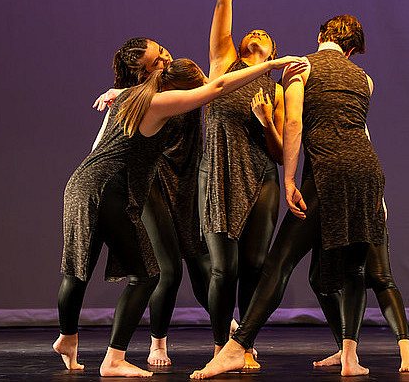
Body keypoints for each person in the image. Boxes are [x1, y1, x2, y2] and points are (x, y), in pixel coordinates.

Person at [54, 54, 307, 377]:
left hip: (86, 184)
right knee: (146, 275)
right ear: (178, 88)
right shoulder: (160, 102)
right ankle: (114, 359)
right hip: (108, 189)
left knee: (83, 268)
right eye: (192, 91)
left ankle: (68, 339)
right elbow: (219, 86)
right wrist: (270, 66)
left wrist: (114, 92)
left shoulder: (134, 95)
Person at [191, 15, 384, 379]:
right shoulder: (366, 80)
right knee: (354, 268)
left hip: (325, 173)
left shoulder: (300, 68)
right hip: (367, 173)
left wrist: (291, 178)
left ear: (320, 36)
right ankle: (350, 357)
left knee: (278, 263)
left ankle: (236, 346)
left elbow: (293, 124)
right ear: (354, 49)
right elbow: (361, 132)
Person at [93, 38, 212, 366]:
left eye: (162, 51)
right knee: (167, 270)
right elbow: (101, 151)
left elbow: (211, 88)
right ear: (143, 75)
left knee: (201, 262)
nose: (166, 58)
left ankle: (227, 332)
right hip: (153, 183)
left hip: (183, 182)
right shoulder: (145, 100)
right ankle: (157, 343)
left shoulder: (182, 81)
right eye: (157, 61)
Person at [199, 0, 285, 368]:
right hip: (219, 172)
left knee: (254, 267)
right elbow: (222, 2)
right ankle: (219, 344)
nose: (257, 33)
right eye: (253, 31)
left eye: (265, 37)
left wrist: (267, 121)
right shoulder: (224, 60)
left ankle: (243, 346)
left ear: (272, 53)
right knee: (223, 269)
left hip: (260, 177)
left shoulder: (274, 87)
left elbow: (278, 150)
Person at [310, 198, 409, 372]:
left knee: (380, 277)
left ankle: (405, 346)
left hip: (363, 195)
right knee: (321, 281)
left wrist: (380, 196)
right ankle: (346, 352)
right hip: (332, 203)